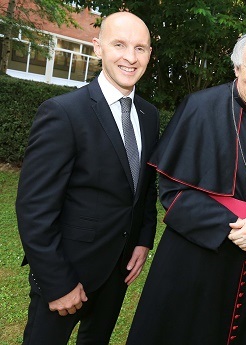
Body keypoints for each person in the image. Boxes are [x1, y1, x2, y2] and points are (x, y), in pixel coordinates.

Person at [126, 28, 246, 345]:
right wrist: (235, 227)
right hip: (195, 255)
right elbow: (172, 193)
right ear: (237, 67)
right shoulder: (199, 107)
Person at [15, 11, 159, 344]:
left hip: (117, 271)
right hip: (67, 271)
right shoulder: (63, 113)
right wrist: (57, 282)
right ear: (97, 47)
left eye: (140, 48)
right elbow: (34, 209)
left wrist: (143, 238)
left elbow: (144, 187)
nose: (130, 57)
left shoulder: (148, 116)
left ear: (149, 54)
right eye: (119, 44)